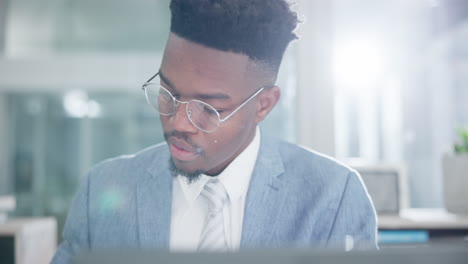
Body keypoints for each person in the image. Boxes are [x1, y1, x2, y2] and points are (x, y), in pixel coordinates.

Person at [51, 0, 377, 262]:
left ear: (263, 105)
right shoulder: (103, 187)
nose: (178, 122)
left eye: (209, 109)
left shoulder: (333, 196)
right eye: (168, 93)